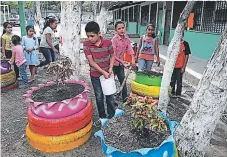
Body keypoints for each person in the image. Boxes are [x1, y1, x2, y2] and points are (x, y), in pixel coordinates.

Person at [83, 21, 116, 119]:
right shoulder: (86, 45)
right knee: (99, 96)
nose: (90, 38)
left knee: (109, 95)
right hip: (95, 75)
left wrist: (110, 68)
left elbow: (112, 55)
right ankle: (102, 117)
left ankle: (112, 115)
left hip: (107, 74)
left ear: (99, 33)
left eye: (92, 36)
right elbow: (91, 62)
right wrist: (103, 72)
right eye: (88, 36)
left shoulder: (107, 43)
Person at [111, 21, 136, 102]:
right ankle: (110, 98)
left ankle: (125, 99)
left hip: (121, 64)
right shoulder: (114, 40)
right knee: (110, 81)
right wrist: (122, 61)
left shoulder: (126, 38)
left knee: (123, 81)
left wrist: (133, 59)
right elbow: (113, 55)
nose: (122, 30)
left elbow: (130, 48)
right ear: (116, 30)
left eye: (123, 28)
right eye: (119, 29)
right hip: (112, 64)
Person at [170, 32, 191, 96]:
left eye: (181, 35)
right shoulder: (173, 43)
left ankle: (178, 94)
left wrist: (184, 67)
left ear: (182, 35)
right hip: (173, 66)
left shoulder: (185, 44)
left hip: (180, 66)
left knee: (179, 81)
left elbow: (187, 56)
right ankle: (171, 92)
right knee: (172, 81)